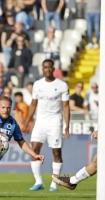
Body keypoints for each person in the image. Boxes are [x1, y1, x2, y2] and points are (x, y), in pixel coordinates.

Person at [22, 59, 70, 192]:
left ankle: (54, 182)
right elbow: (33, 105)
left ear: (53, 69)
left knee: (56, 152)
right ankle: (39, 182)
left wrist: (67, 125)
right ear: (42, 69)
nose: (48, 70)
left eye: (50, 67)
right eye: (45, 68)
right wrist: (26, 123)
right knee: (34, 150)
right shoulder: (37, 85)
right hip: (40, 122)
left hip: (55, 122)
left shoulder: (62, 85)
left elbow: (66, 107)